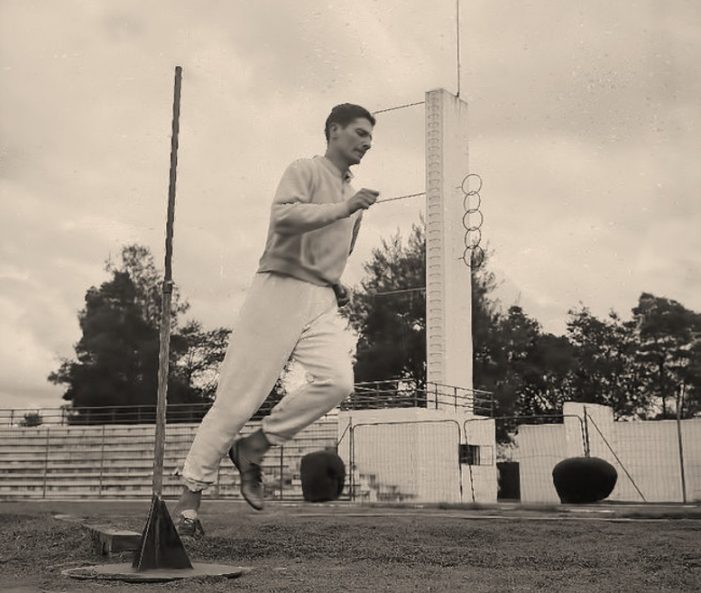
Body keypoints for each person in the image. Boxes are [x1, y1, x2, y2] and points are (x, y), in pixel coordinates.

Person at [174, 103, 379, 537]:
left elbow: (334, 251)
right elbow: (283, 217)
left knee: (338, 381)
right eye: (359, 132)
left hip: (320, 298)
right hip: (277, 290)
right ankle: (188, 507)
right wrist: (343, 209)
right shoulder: (305, 169)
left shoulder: (355, 200)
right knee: (238, 400)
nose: (367, 142)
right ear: (333, 130)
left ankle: (252, 448)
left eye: (370, 136)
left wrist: (336, 282)